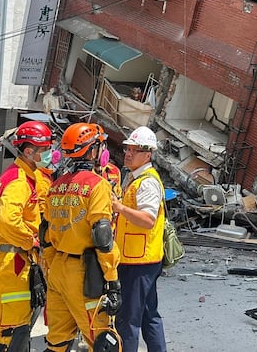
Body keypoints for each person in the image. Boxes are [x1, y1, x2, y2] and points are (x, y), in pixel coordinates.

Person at [43, 123, 122, 352]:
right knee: (102, 341)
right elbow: (102, 234)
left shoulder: (56, 186)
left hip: (57, 268)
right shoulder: (97, 185)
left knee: (57, 341)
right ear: (92, 150)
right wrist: (112, 279)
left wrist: (50, 265)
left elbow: (45, 232)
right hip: (85, 275)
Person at [0, 120, 53, 352]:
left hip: (1, 260)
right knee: (13, 330)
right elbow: (8, 220)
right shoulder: (20, 181)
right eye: (44, 150)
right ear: (29, 151)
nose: (49, 154)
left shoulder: (17, 174)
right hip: (11, 263)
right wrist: (30, 240)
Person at [111, 125, 167, 352]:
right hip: (140, 258)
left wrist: (119, 208)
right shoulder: (134, 178)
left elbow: (147, 219)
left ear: (148, 154)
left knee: (128, 319)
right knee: (147, 314)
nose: (128, 153)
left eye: (134, 150)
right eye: (127, 149)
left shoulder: (147, 182)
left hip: (139, 261)